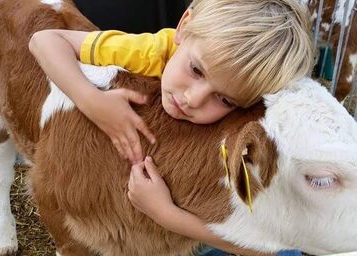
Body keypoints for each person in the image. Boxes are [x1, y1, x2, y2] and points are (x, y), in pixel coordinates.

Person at [29, 0, 313, 254]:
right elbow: (44, 40)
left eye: (224, 99)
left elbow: (268, 248)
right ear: (184, 27)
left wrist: (167, 215)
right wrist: (92, 101)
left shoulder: (250, 105)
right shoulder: (149, 50)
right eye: (196, 70)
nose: (192, 99)